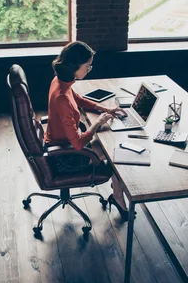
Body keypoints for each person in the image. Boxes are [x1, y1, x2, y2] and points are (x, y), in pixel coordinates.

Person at [44, 41, 130, 219]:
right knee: (115, 153)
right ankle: (118, 196)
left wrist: (106, 109)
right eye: (87, 66)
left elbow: (79, 100)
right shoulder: (61, 97)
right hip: (64, 157)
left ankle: (117, 191)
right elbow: (77, 144)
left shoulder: (60, 82)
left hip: (59, 144)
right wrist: (97, 123)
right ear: (74, 66)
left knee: (109, 147)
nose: (89, 69)